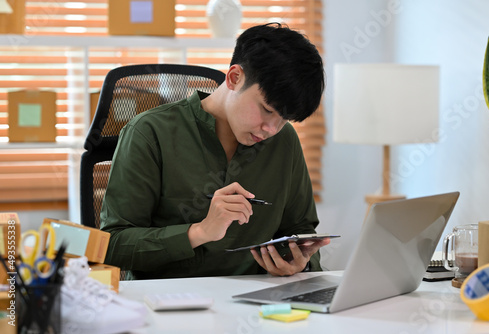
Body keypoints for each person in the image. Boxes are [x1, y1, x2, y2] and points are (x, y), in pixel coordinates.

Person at [100, 22, 329, 280]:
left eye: (284, 119)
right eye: (266, 109)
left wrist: (300, 263)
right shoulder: (149, 133)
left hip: (257, 303)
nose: (271, 128)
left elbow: (301, 230)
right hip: (168, 304)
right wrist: (199, 231)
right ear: (234, 78)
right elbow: (112, 245)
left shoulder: (284, 141)